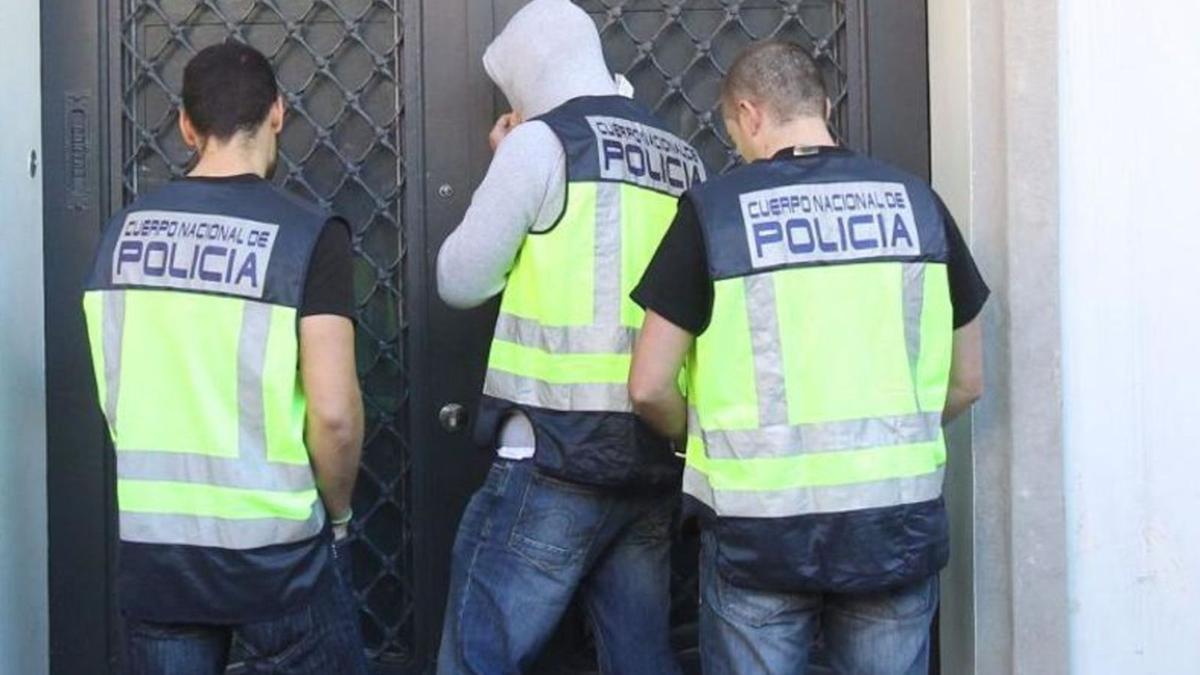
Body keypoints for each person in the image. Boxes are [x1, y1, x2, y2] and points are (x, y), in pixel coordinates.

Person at [628, 40, 989, 675]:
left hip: (758, 533)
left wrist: (699, 437)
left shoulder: (715, 214)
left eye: (732, 129)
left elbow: (649, 385)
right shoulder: (919, 205)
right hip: (893, 527)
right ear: (822, 106)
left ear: (749, 114)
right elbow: (968, 382)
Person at [433, 0, 708, 672]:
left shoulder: (540, 144)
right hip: (652, 450)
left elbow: (460, 279)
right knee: (640, 658)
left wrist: (508, 162)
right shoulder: (683, 158)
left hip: (551, 453)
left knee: (478, 657)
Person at [81, 42, 369, 674]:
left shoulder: (122, 234)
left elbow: (116, 389)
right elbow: (335, 414)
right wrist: (339, 514)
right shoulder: (307, 236)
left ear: (187, 126)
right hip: (278, 560)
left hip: (159, 556)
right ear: (277, 113)